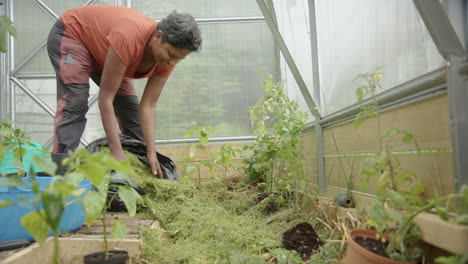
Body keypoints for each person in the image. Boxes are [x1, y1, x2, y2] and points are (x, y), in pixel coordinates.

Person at [47, 5, 202, 178]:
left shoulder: (167, 60)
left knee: (129, 108)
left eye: (178, 60)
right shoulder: (129, 38)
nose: (172, 63)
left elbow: (149, 105)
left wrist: (151, 152)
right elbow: (105, 99)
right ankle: (60, 173)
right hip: (72, 35)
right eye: (171, 55)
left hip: (105, 52)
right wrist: (116, 150)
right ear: (158, 37)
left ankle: (142, 172)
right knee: (75, 101)